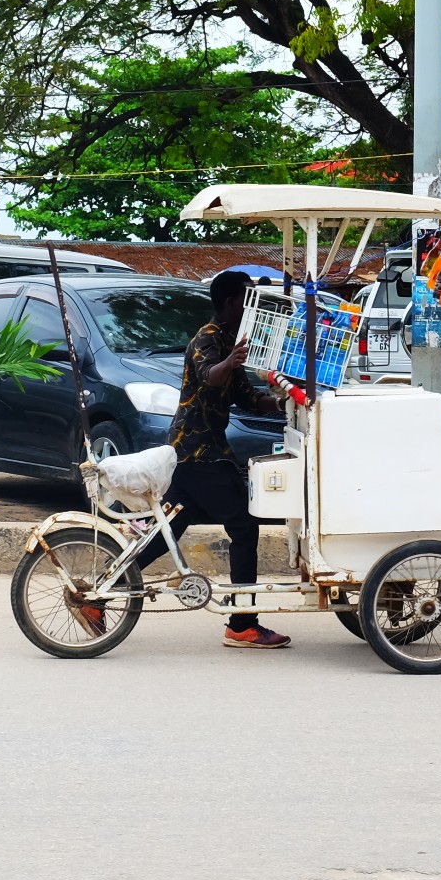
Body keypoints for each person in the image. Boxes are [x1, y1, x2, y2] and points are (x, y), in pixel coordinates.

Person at [132, 270, 291, 649]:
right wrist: (231, 361)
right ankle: (242, 624)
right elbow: (209, 376)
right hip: (198, 451)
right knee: (244, 525)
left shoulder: (231, 340)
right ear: (231, 302)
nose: (251, 305)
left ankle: (107, 584)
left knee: (171, 526)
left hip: (199, 451)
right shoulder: (207, 338)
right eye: (246, 299)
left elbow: (248, 398)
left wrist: (285, 399)